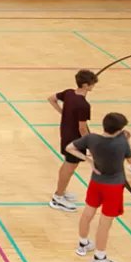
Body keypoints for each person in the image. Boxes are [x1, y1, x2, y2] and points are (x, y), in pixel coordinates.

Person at [69, 112, 131, 262]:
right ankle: (99, 258)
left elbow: (70, 148)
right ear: (119, 129)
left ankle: (83, 243)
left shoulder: (92, 138)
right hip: (113, 186)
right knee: (105, 223)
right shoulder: (121, 144)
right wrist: (128, 141)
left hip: (96, 181)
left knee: (88, 212)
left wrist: (89, 160)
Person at [48, 70, 98, 212]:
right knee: (69, 168)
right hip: (75, 140)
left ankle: (61, 191)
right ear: (85, 85)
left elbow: (51, 98)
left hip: (65, 134)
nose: (93, 86)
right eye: (92, 84)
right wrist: (91, 144)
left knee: (66, 166)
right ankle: (57, 198)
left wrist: (62, 112)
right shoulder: (83, 105)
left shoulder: (69, 93)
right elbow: (82, 128)